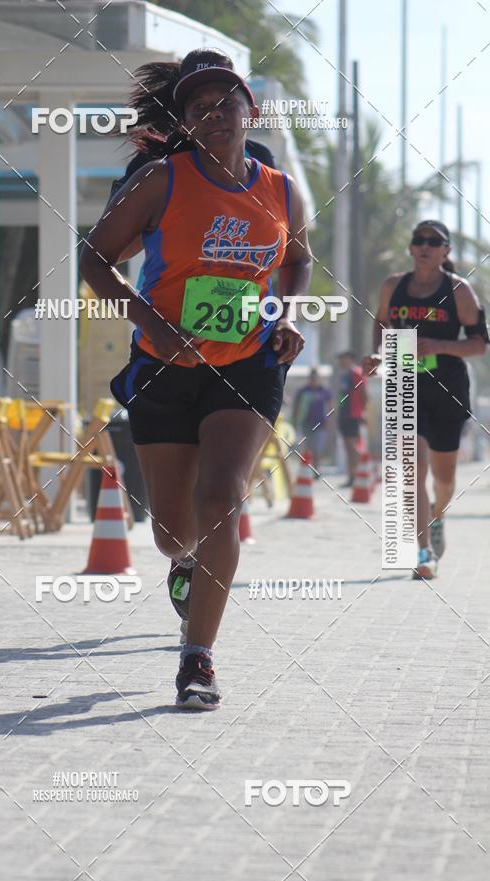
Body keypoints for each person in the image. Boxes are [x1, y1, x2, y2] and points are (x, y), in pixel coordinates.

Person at [80, 48, 312, 709]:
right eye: (201, 110)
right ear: (186, 120)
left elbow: (297, 258)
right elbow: (95, 258)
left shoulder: (279, 188)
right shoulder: (159, 179)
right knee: (171, 530)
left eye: (227, 107)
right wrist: (148, 320)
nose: (216, 119)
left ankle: (197, 659)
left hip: (247, 363)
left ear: (252, 112)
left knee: (221, 502)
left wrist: (286, 315)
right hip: (165, 366)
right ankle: (184, 563)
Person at [363, 220, 488, 579]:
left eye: (434, 242)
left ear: (446, 251)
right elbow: (382, 323)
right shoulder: (393, 286)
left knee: (443, 479)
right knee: (411, 465)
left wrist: (441, 346)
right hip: (405, 381)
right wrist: (377, 354)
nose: (425, 246)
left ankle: (438, 513)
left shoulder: (459, 291)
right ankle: (423, 551)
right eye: (419, 240)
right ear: (411, 247)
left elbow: (479, 343)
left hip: (447, 388)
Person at [336, 351, 367, 487]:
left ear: (350, 359)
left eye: (344, 358)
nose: (341, 361)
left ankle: (363, 471)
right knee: (348, 447)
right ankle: (352, 476)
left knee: (352, 445)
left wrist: (362, 412)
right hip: (343, 414)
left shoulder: (356, 372)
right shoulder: (343, 375)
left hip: (352, 414)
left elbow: (364, 393)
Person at [292, 367, 331, 473]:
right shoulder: (303, 391)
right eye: (312, 377)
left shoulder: (324, 390)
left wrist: (329, 420)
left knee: (317, 448)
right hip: (306, 423)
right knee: (306, 448)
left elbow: (330, 406)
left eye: (316, 377)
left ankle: (316, 470)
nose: (314, 379)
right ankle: (306, 470)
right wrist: (294, 421)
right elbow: (296, 406)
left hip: (320, 424)